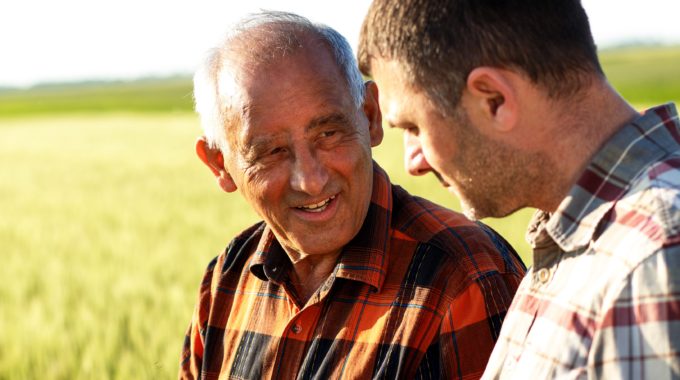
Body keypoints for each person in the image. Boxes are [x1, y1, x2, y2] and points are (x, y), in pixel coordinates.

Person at [179, 10, 525, 380]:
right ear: (219, 165)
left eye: (328, 134)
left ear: (371, 116)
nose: (310, 181)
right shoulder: (226, 279)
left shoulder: (466, 277)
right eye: (271, 152)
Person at [358, 0, 680, 378]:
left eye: (413, 127)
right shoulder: (586, 237)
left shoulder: (655, 256)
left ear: (493, 100)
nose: (413, 162)